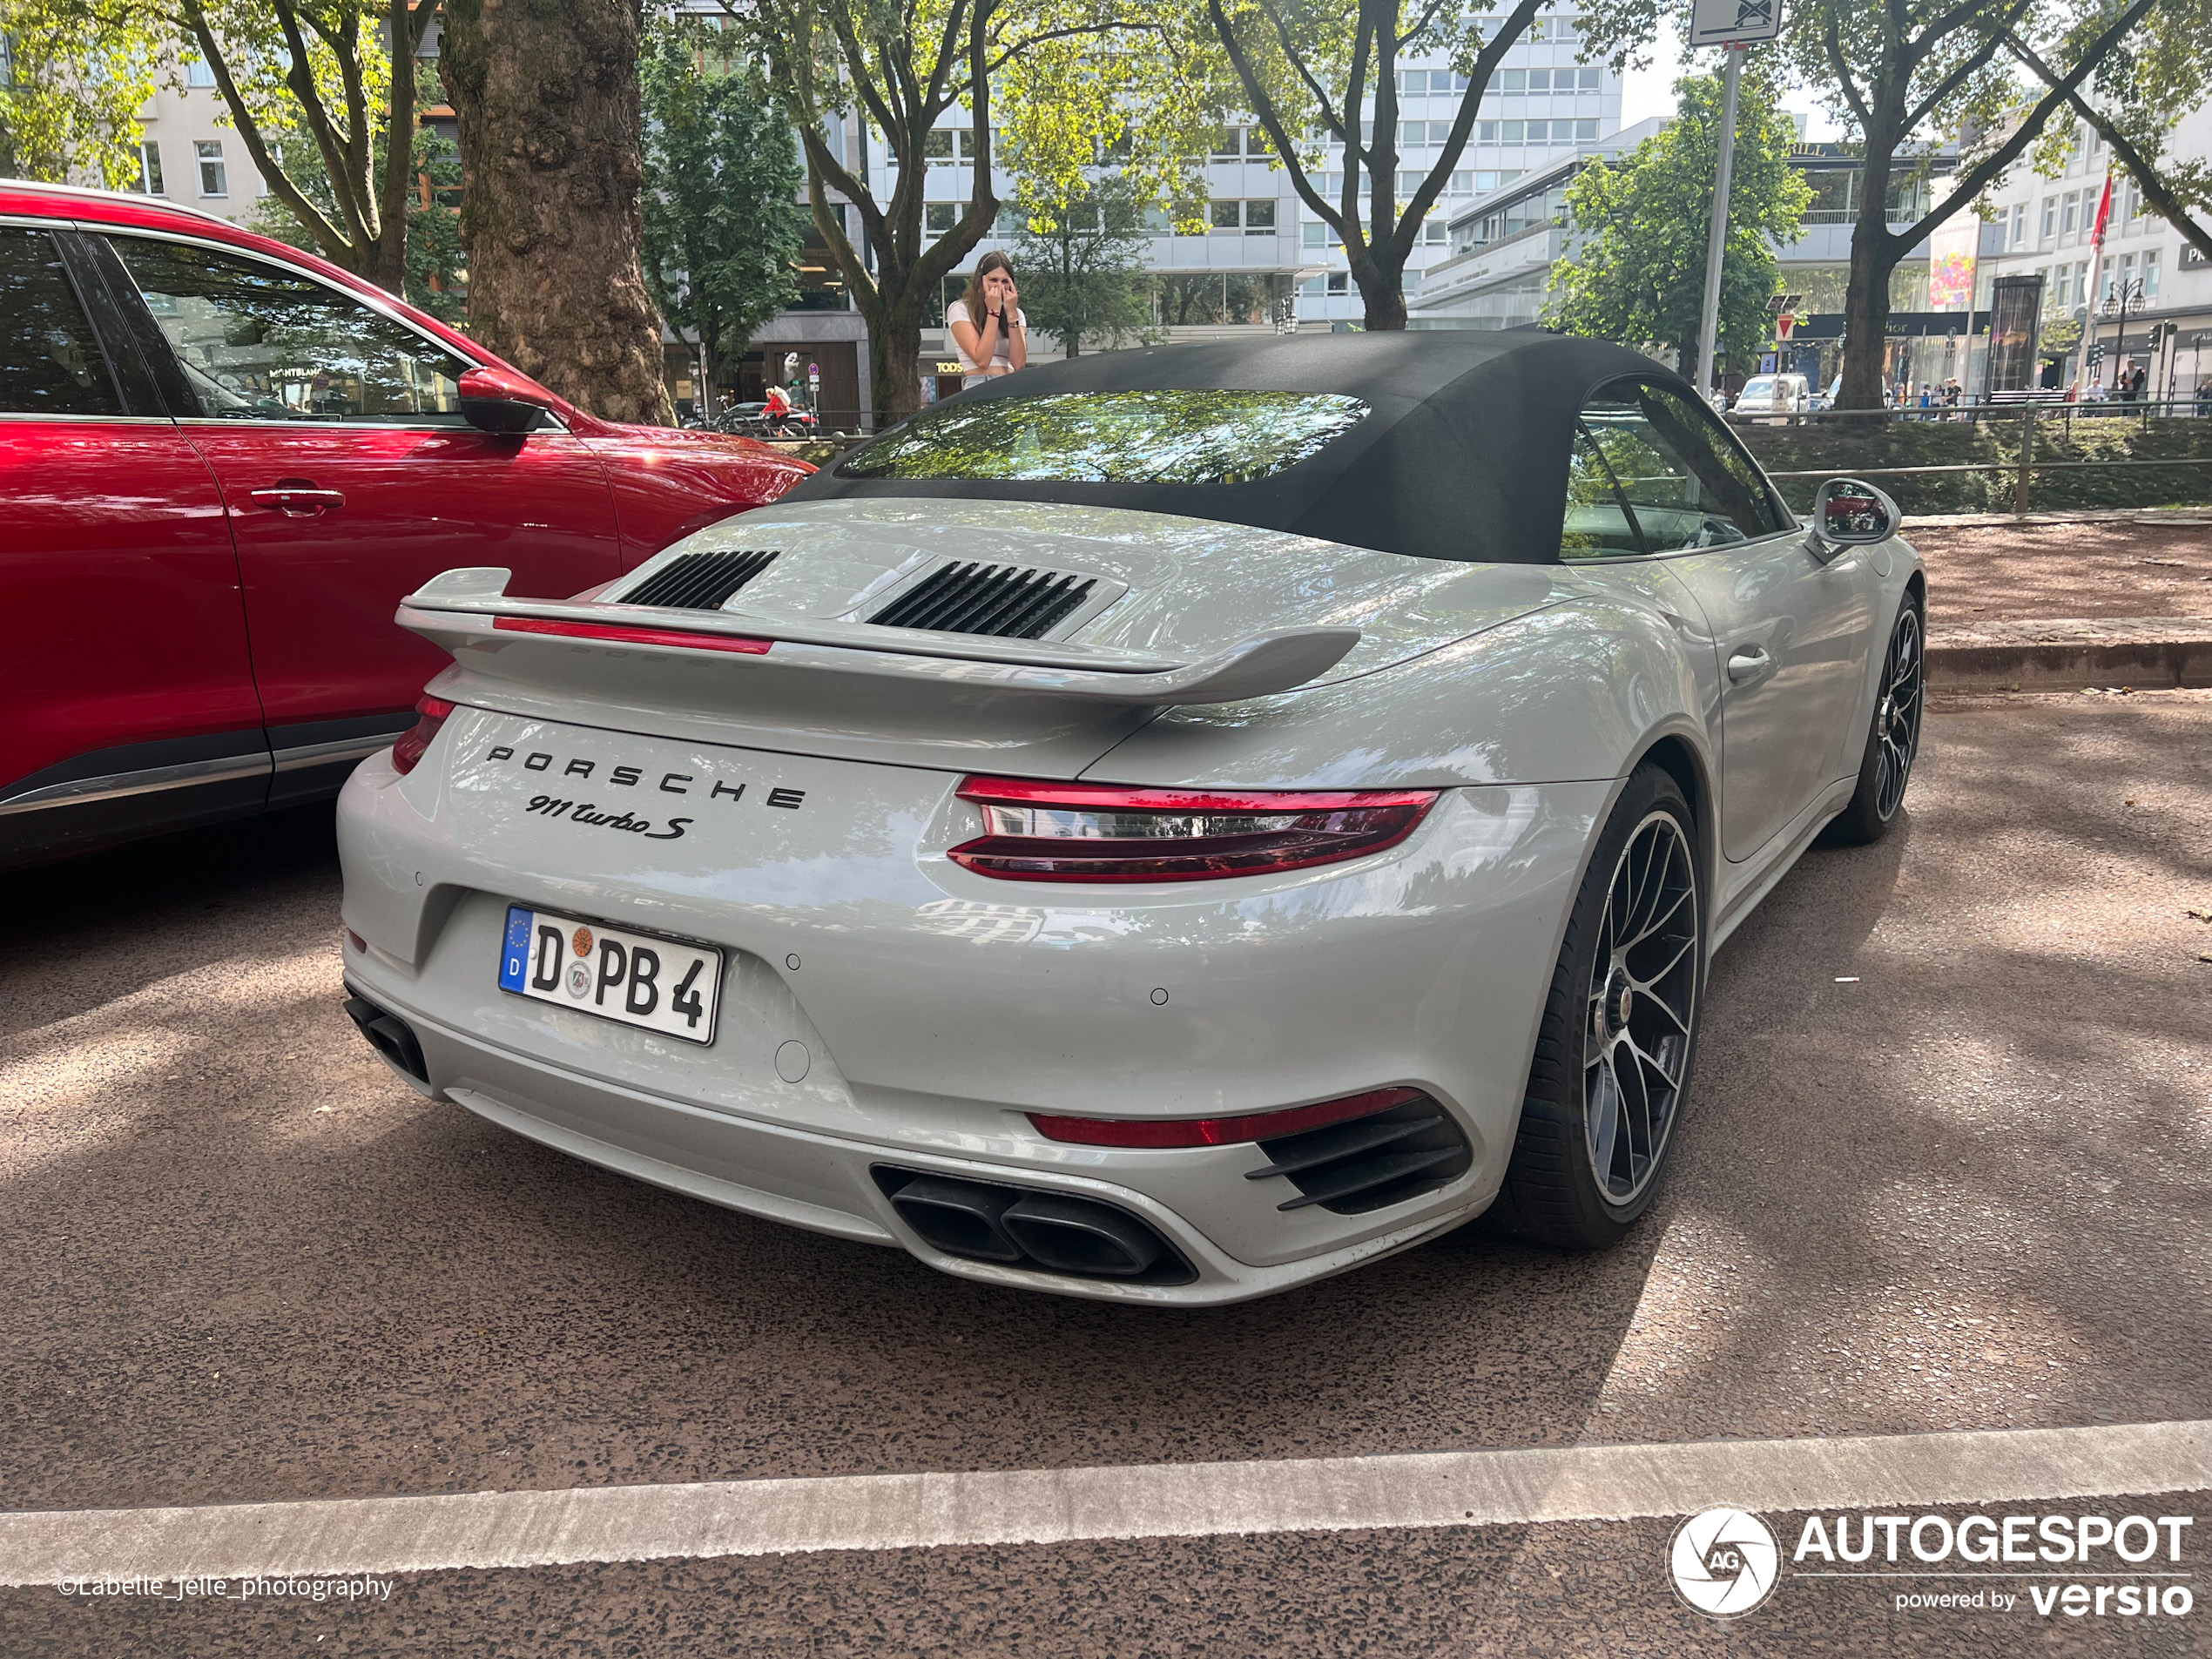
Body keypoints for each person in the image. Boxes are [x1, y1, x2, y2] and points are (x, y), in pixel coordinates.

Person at [947, 252, 1028, 378]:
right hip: (979, 382)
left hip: (1009, 382)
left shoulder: (1016, 314)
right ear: (980, 280)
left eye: (1005, 281)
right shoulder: (961, 309)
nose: (999, 286)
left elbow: (1019, 363)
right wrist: (993, 313)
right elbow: (982, 360)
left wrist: (1012, 315)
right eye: (993, 280)